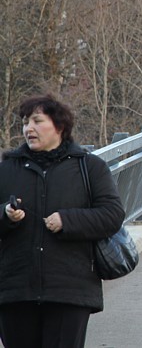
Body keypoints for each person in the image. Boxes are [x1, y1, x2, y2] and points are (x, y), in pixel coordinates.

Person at [0, 94, 125, 348]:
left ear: (59, 126)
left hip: (69, 291)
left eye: (37, 121)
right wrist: (5, 215)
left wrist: (68, 220)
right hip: (16, 290)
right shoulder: (7, 170)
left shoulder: (89, 167)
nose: (28, 128)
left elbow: (112, 214)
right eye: (25, 122)